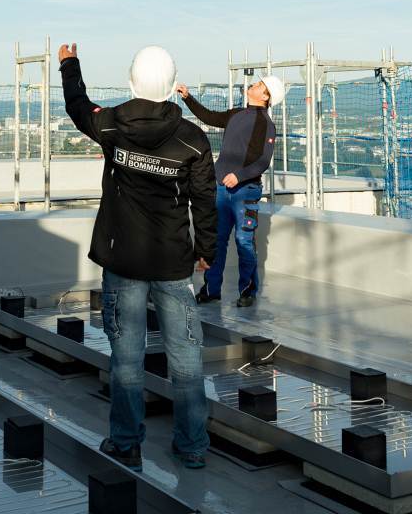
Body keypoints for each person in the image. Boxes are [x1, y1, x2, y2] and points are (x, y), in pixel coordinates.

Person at [57, 41, 217, 471]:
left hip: (122, 259)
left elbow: (78, 107)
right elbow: (204, 200)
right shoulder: (194, 141)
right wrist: (207, 251)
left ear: (131, 81)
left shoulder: (111, 126)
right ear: (170, 87)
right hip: (172, 263)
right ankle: (192, 446)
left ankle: (126, 442)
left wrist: (69, 64)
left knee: (126, 357)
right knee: (185, 357)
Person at [176, 75, 284, 307]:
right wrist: (188, 98)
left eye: (258, 85)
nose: (253, 85)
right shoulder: (236, 114)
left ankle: (247, 291)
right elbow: (209, 117)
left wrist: (239, 176)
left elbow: (262, 161)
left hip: (246, 191)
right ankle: (211, 289)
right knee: (218, 241)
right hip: (221, 189)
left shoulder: (265, 124)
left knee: (244, 241)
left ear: (265, 96)